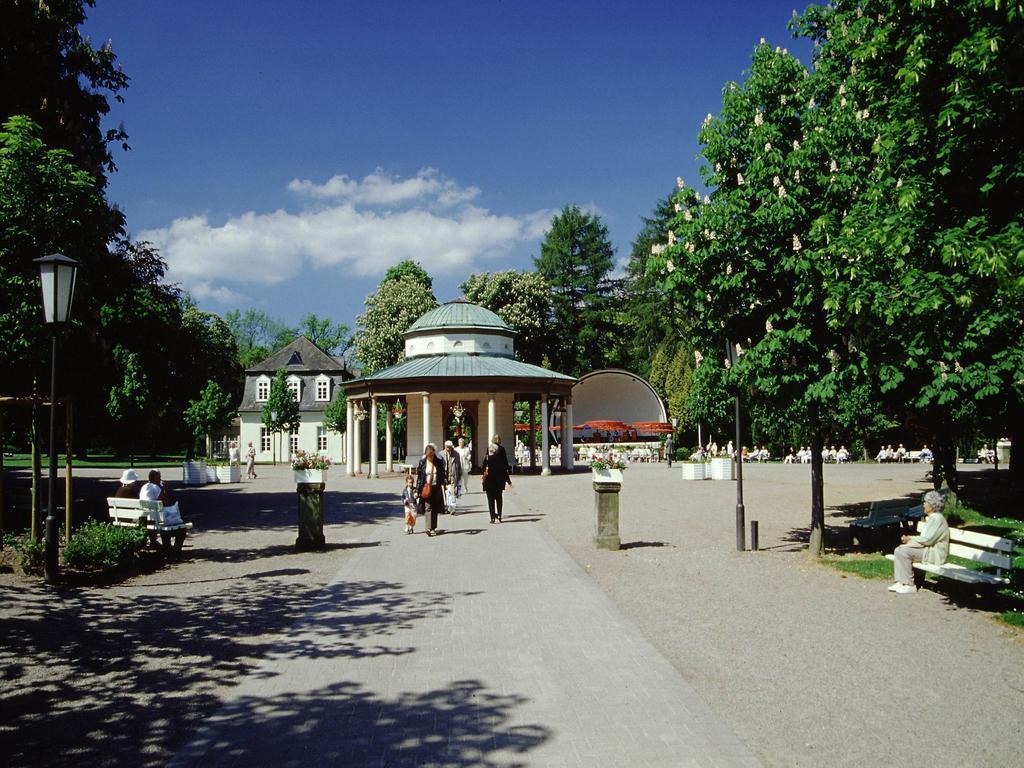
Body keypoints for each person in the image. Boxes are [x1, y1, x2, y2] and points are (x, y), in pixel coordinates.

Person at [890, 490, 950, 594]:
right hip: (927, 549)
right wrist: (910, 540)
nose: (923, 504)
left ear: (932, 505)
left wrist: (910, 539)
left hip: (934, 553)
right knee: (899, 550)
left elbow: (928, 540)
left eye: (926, 502)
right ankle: (901, 581)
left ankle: (909, 585)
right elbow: (926, 539)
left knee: (903, 552)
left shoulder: (937, 519)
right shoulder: (932, 518)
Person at [415, 443, 447, 537]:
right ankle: (428, 528)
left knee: (435, 507)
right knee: (428, 507)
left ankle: (433, 527)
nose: (431, 457)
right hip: (426, 487)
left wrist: (444, 485)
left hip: (436, 487)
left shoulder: (438, 461)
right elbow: (420, 477)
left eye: (432, 455)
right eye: (429, 455)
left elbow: (442, 474)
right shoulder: (422, 462)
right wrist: (417, 490)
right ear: (426, 454)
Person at [482, 442, 512, 523]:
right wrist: (509, 481)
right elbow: (504, 472)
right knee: (499, 499)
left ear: (490, 451)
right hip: (499, 483)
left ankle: (492, 518)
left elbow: (483, 468)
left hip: (489, 482)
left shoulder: (487, 458)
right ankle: (499, 515)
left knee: (490, 501)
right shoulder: (500, 459)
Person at [442, 440, 463, 512]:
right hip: (445, 476)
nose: (449, 448)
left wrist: (459, 475)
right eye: (447, 447)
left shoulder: (456, 454)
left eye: (450, 447)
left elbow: (458, 465)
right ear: (445, 447)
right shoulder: (441, 454)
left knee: (452, 492)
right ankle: (449, 506)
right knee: (447, 492)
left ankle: (453, 508)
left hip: (453, 476)